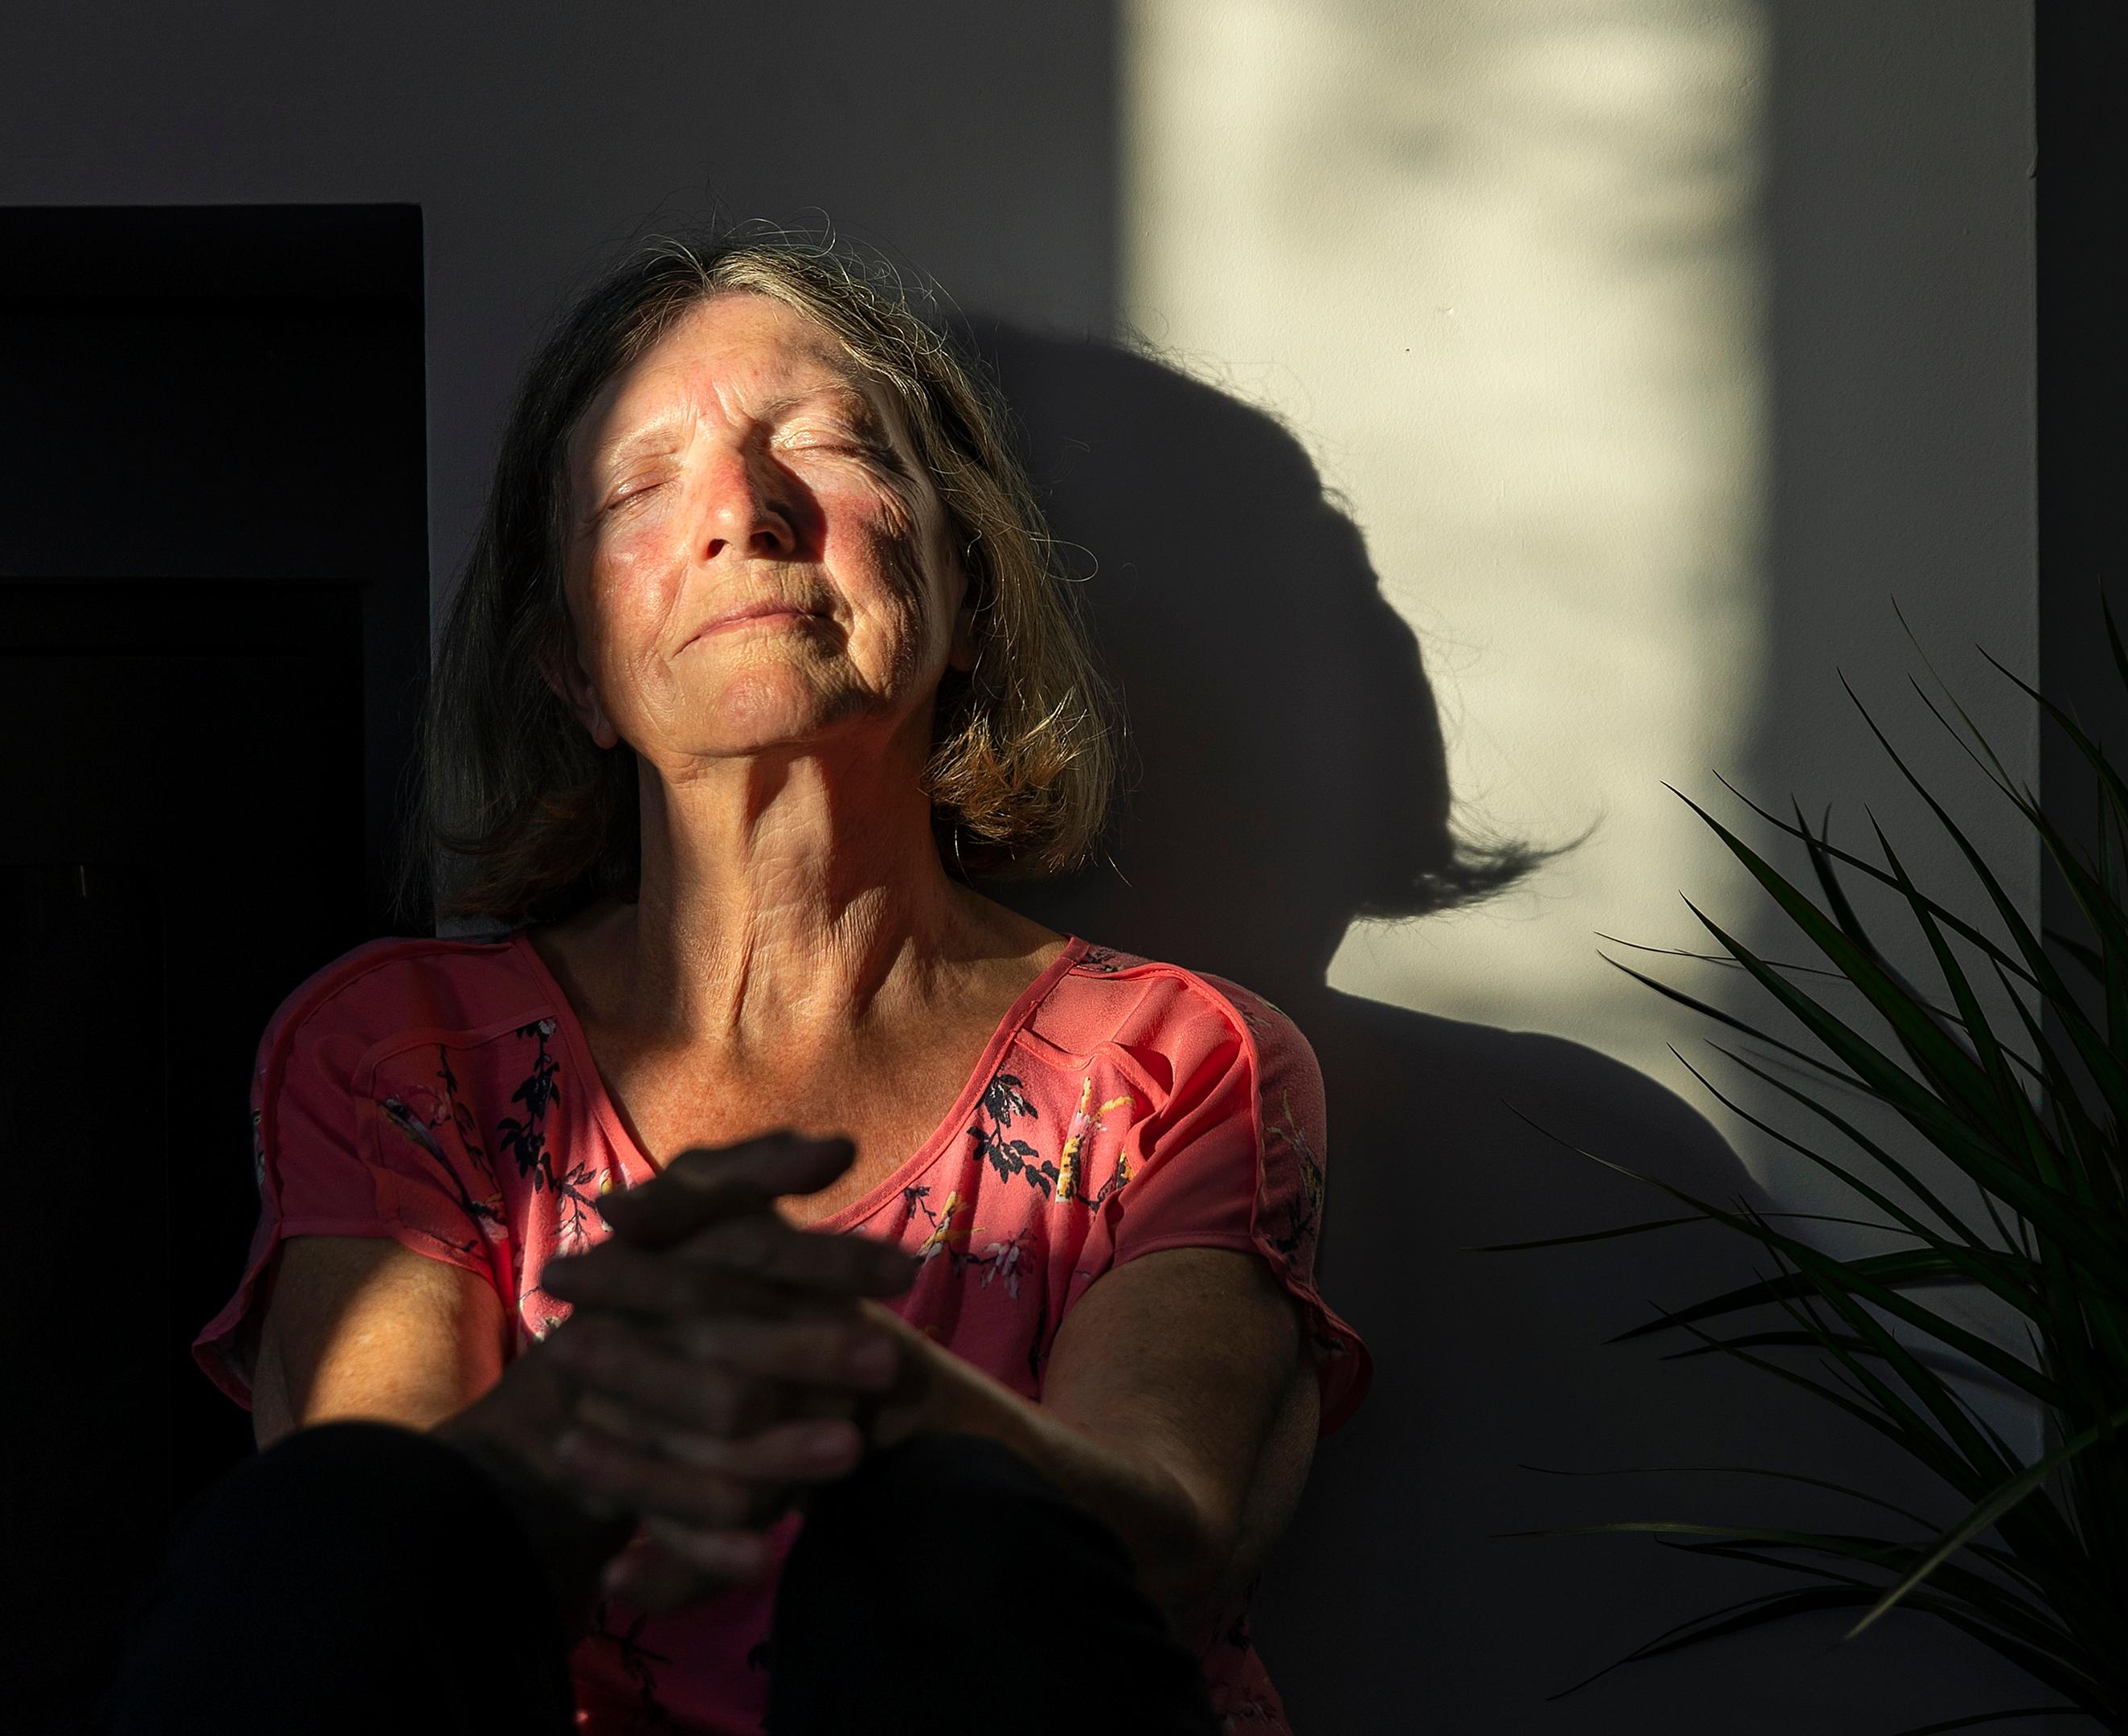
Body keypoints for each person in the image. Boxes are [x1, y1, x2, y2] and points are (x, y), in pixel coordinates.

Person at [112, 233, 1368, 1736]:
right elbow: (381, 1581)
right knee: (320, 1529)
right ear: (571, 666)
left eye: (828, 449)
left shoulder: (1175, 1060)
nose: (745, 517)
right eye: (644, 487)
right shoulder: (404, 1052)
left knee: (956, 1531)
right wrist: (629, 1378)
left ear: (962, 592)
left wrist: (857, 1379)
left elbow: (1175, 1533)